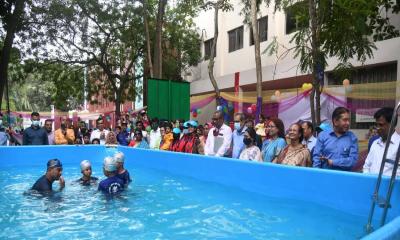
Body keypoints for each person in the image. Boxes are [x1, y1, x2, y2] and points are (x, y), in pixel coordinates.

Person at [363, 107, 400, 176]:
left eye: (381, 125)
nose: (377, 128)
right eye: (376, 124)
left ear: (392, 124)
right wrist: (368, 181)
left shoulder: (398, 144)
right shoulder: (374, 143)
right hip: (371, 185)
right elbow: (367, 166)